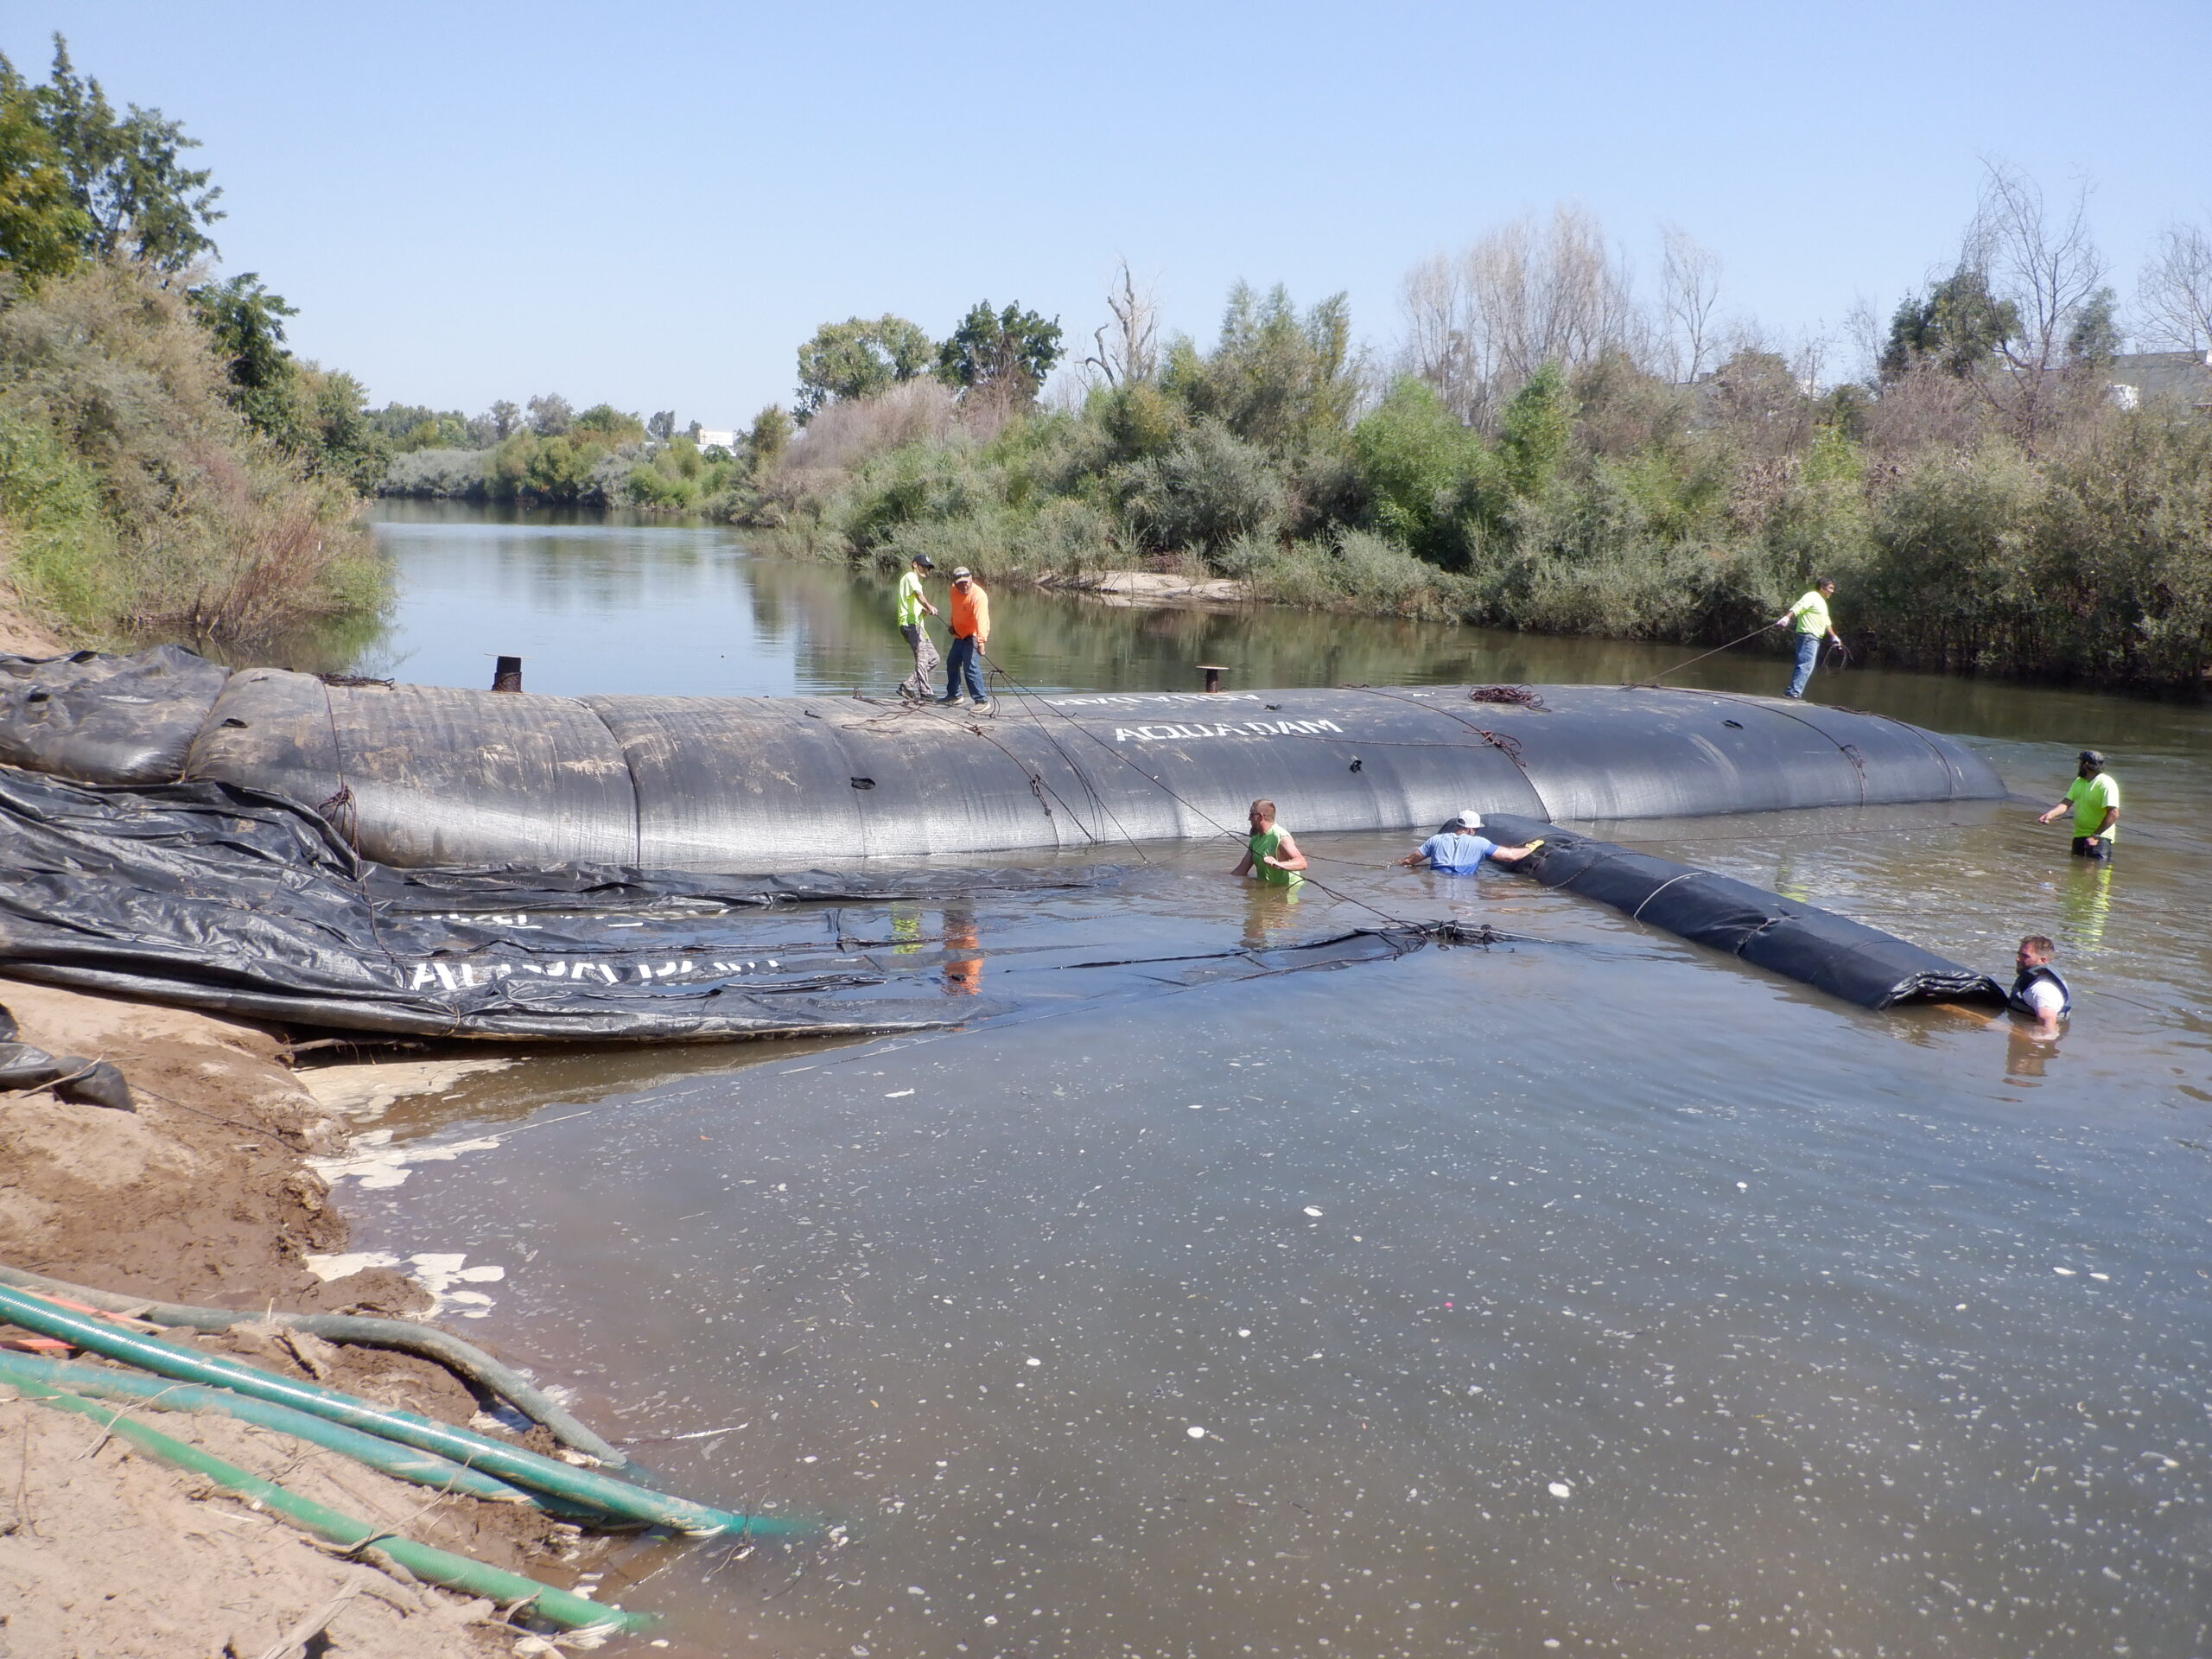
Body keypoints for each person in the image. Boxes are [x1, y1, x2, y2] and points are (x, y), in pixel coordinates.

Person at [1396, 810, 1544, 872]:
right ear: (1471, 829)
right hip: (1464, 883)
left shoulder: (1435, 840)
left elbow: (1409, 861)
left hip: (1438, 882)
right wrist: (1531, 847)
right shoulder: (1480, 843)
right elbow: (1510, 856)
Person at [2037, 749, 2120, 861]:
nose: (2078, 766)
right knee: (2076, 872)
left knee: (2097, 874)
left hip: (2099, 839)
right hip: (2079, 835)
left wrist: (2096, 835)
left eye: (2079, 763)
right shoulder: (2078, 782)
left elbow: (2113, 813)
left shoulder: (2106, 783)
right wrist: (2050, 815)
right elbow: (2066, 803)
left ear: (2085, 765)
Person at [1775, 577, 1842, 700]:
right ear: (1822, 587)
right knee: (1806, 664)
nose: (1832, 591)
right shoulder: (1812, 596)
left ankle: (1794, 691)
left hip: (1814, 638)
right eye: (1830, 588)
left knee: (1807, 664)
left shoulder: (1822, 603)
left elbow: (1827, 622)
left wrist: (1834, 637)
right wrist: (1786, 618)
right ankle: (1793, 692)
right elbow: (1798, 607)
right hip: (1807, 635)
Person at [940, 566, 992, 711]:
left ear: (971, 579)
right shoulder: (953, 591)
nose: (964, 585)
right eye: (960, 583)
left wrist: (981, 642)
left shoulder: (978, 596)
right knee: (952, 662)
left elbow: (980, 619)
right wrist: (952, 624)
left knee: (970, 666)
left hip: (974, 635)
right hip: (960, 634)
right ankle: (955, 695)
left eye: (966, 582)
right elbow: (955, 608)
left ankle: (982, 700)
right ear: (955, 584)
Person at [896, 554, 941, 701]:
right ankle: (925, 692)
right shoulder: (910, 577)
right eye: (923, 567)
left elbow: (916, 603)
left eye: (928, 568)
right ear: (914, 564)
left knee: (934, 658)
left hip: (919, 625)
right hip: (910, 624)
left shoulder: (915, 581)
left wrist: (925, 612)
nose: (926, 570)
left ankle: (908, 686)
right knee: (922, 657)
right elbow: (918, 595)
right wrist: (929, 606)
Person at [2006, 934, 2070, 1037]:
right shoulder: (2035, 981)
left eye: (2025, 956)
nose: (2017, 959)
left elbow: (2047, 1032)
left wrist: (2009, 1029)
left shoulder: (2043, 989)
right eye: (2019, 954)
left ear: (2043, 960)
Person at [1233, 798, 1306, 888]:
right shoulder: (1256, 838)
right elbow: (1241, 871)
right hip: (1267, 886)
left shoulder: (1280, 836)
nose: (1249, 819)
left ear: (1260, 816)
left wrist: (1279, 864)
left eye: (1251, 815)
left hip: (1287, 889)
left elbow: (1302, 863)